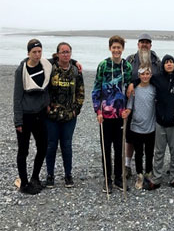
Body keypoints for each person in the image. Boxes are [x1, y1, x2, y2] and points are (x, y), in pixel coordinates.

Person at [92, 35, 132, 193]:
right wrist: (98, 110)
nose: (116, 50)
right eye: (114, 47)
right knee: (106, 149)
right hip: (105, 115)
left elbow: (129, 88)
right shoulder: (103, 65)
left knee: (119, 149)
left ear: (122, 49)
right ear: (110, 48)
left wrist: (127, 108)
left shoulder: (126, 66)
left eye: (119, 47)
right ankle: (107, 179)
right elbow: (96, 89)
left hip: (120, 115)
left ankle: (117, 178)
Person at [14, 39, 52, 194]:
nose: (37, 55)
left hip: (41, 115)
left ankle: (35, 177)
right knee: (23, 150)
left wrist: (76, 62)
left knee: (43, 147)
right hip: (26, 115)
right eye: (34, 52)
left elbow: (60, 58)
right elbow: (17, 97)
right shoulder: (21, 70)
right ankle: (23, 183)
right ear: (28, 53)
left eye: (39, 51)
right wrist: (18, 121)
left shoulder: (45, 65)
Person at [45, 42, 85, 189]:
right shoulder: (50, 69)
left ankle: (68, 175)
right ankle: (50, 175)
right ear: (57, 54)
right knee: (51, 145)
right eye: (63, 52)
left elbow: (81, 93)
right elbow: (44, 89)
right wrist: (47, 108)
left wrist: (76, 110)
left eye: (68, 52)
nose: (65, 54)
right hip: (52, 116)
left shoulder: (75, 71)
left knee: (66, 145)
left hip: (69, 116)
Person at [144, 55, 174, 191]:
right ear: (163, 65)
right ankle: (156, 179)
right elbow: (143, 78)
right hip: (160, 122)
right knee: (159, 152)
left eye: (171, 62)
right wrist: (132, 85)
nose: (169, 64)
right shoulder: (157, 79)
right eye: (166, 62)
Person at [124, 33, 161, 179]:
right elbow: (125, 77)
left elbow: (161, 78)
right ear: (138, 44)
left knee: (150, 140)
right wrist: (132, 83)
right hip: (133, 99)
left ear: (150, 45)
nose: (144, 45)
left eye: (147, 42)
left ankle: (149, 170)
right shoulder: (130, 60)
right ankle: (127, 165)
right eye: (142, 42)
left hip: (150, 102)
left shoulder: (156, 61)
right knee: (130, 137)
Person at [122, 66, 156, 190]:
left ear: (150, 75)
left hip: (150, 127)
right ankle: (139, 175)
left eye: (147, 73)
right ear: (139, 75)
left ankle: (148, 173)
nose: (145, 76)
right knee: (139, 153)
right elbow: (130, 106)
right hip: (136, 127)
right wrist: (127, 112)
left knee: (149, 153)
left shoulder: (154, 89)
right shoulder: (134, 89)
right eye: (143, 74)